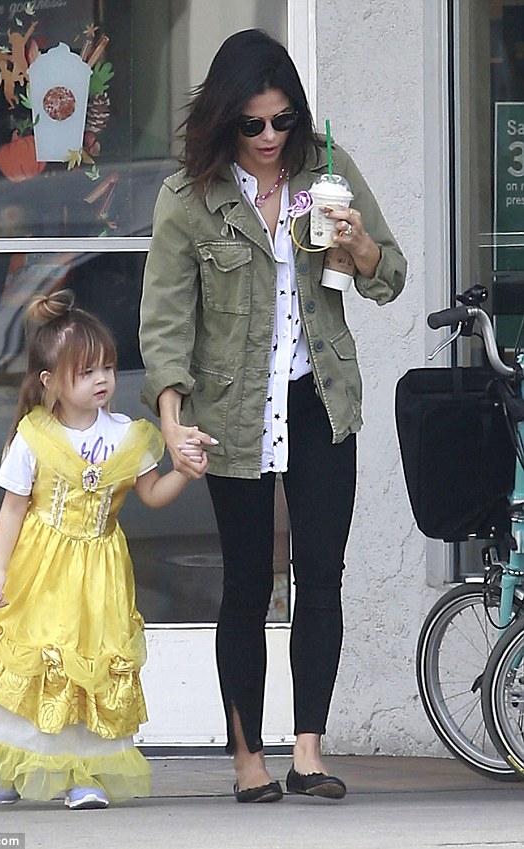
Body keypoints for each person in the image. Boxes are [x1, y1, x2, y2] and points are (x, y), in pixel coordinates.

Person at [139, 28, 406, 803]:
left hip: (320, 397)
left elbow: (387, 276)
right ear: (226, 120)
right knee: (248, 583)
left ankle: (310, 751)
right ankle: (248, 756)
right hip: (230, 406)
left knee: (322, 575)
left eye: (282, 121)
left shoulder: (327, 170)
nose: (268, 138)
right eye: (251, 124)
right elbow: (164, 320)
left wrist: (355, 245)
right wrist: (169, 418)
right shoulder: (188, 198)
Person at [0, 290, 206, 809]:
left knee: (90, 665)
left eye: (107, 367)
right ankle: (8, 759)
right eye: (86, 372)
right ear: (50, 381)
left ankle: (82, 773)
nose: (102, 379)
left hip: (100, 572)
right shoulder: (33, 438)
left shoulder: (128, 435)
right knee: (37, 662)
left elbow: (150, 495)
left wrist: (185, 473)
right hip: (39, 569)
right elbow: (13, 509)